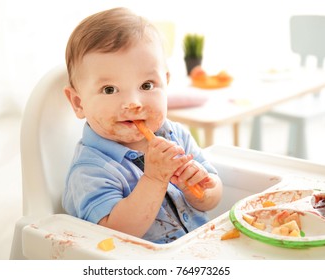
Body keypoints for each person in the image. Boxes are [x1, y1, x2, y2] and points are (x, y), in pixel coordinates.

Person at [62, 7, 223, 244]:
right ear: (79, 103)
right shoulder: (89, 169)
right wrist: (154, 179)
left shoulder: (175, 135)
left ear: (165, 83)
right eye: (109, 89)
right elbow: (115, 234)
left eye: (147, 85)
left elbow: (213, 197)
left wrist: (199, 188)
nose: (133, 104)